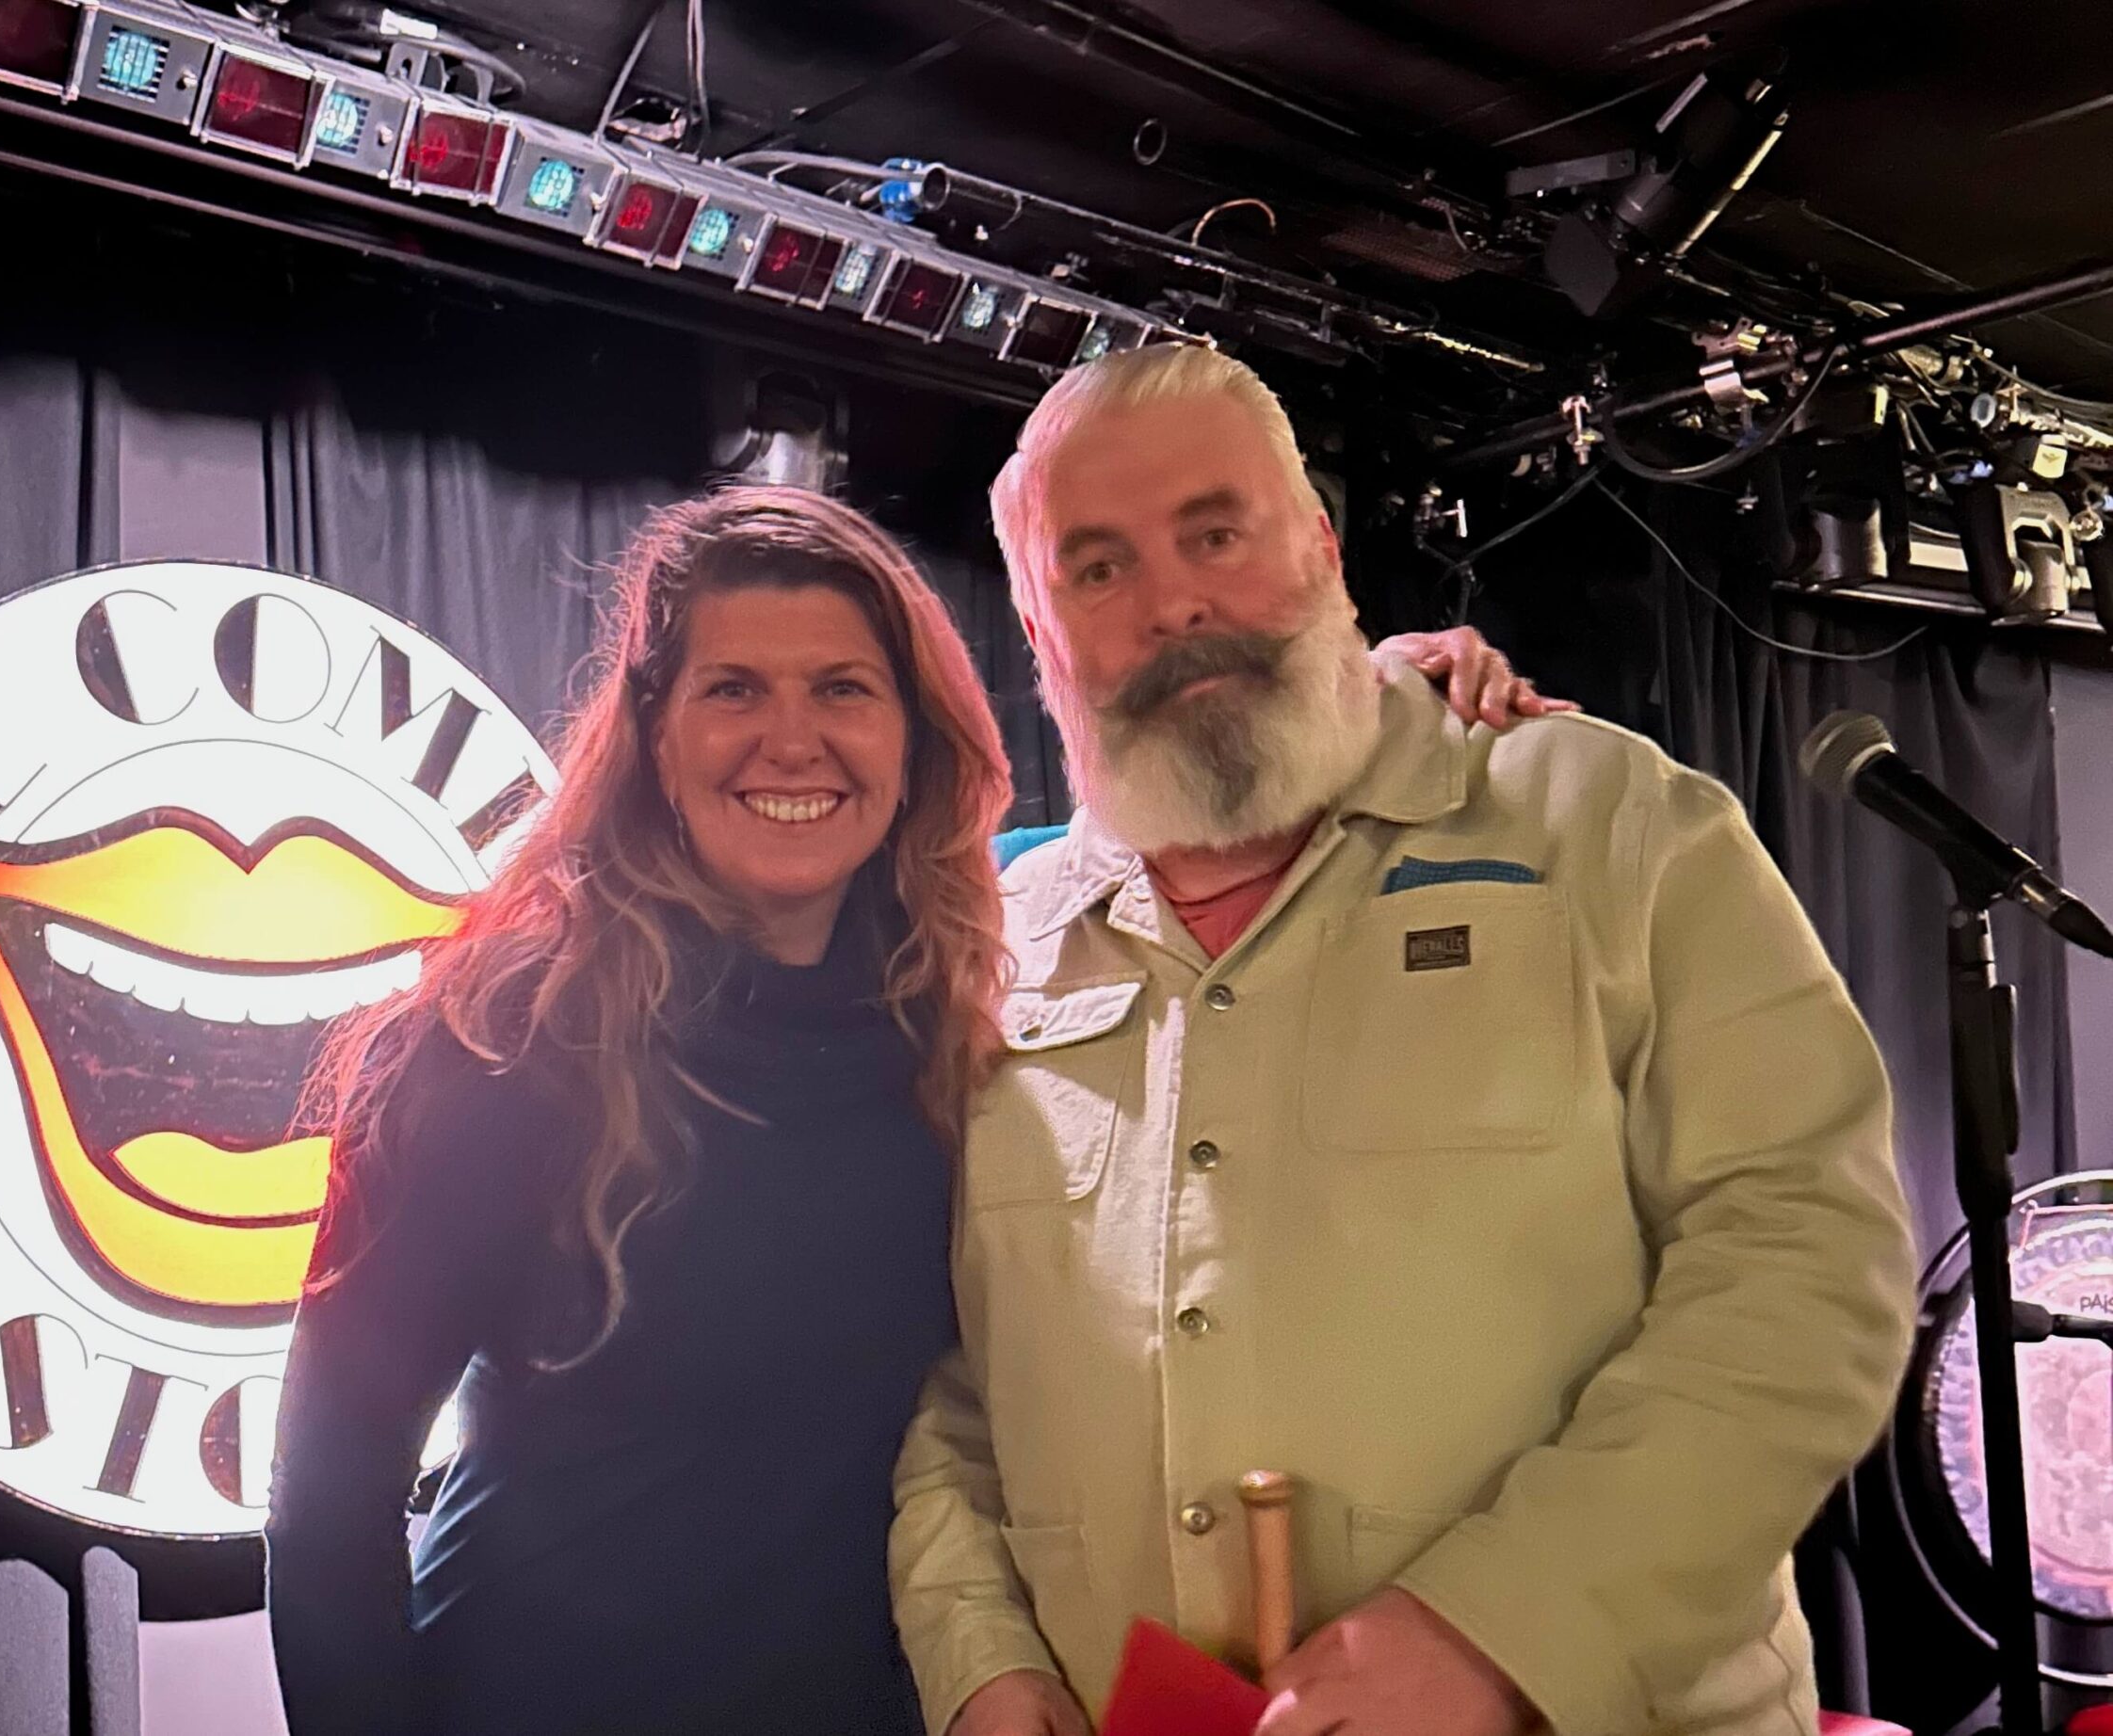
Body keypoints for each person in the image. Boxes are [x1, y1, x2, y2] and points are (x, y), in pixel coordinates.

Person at [265, 483, 1538, 1735]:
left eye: (842, 689)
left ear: (913, 738)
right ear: (653, 737)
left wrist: (1377, 700)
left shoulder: (978, 973)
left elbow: (1219, 826)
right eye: (732, 689)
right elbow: (328, 1507)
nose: (792, 739)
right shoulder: (496, 1048)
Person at [889, 346, 1920, 1736]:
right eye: (1097, 568)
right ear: (1035, 621)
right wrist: (984, 1667)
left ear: (1319, 543)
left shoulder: (1606, 824)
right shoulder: (1002, 950)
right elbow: (962, 1384)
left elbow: (1807, 1263)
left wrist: (1510, 1627)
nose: (1174, 601)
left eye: (1216, 532)